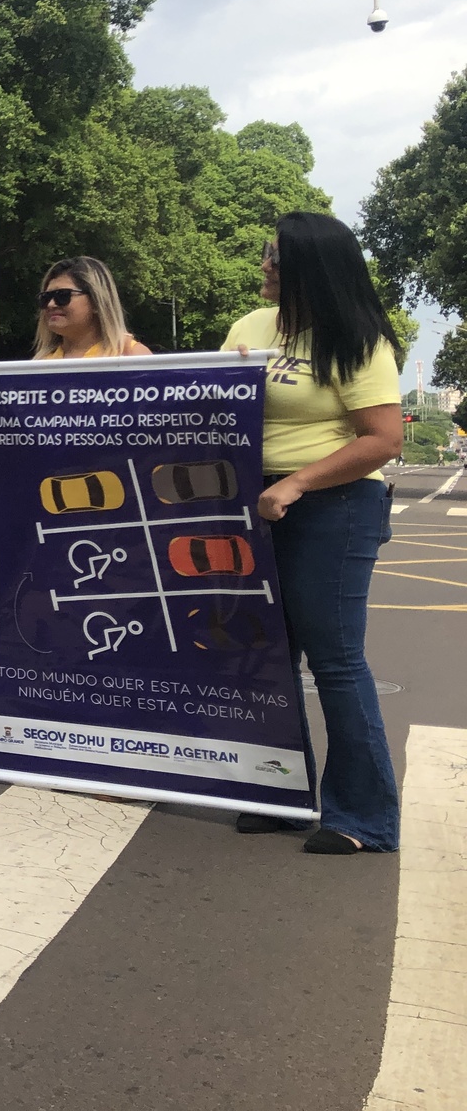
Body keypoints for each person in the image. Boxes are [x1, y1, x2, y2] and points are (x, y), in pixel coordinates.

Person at [227, 212, 404, 855]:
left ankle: (362, 818)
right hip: (252, 503)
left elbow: (383, 439)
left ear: (311, 266)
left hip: (333, 507)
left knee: (334, 659)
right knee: (269, 659)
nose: (264, 266)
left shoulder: (357, 340)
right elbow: (196, 397)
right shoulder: (250, 328)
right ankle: (279, 796)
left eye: (275, 256)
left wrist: (298, 483)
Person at [0, 255, 151, 393]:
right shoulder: (40, 365)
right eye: (45, 297)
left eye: (62, 296)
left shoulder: (131, 355)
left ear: (96, 301)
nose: (51, 305)